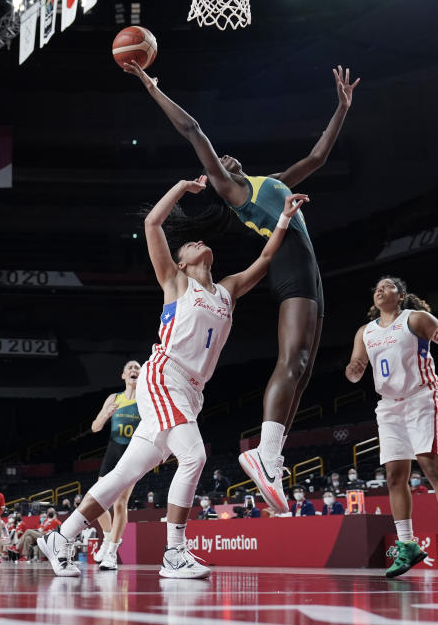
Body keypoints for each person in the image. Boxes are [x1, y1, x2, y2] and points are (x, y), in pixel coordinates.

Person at [37, 175, 306, 578]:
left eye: (201, 241)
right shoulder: (175, 282)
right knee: (194, 456)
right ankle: (174, 552)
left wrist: (283, 219)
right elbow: (152, 225)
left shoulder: (227, 290)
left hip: (191, 389)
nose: (199, 242)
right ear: (181, 262)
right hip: (164, 376)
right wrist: (181, 188)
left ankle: (63, 535)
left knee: (124, 474)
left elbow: (265, 261)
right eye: (191, 244)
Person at [123, 60, 360, 516]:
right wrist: (152, 86)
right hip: (289, 262)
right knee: (293, 360)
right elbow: (193, 130)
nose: (222, 161)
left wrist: (342, 107)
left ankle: (273, 457)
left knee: (305, 367)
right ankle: (263, 453)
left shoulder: (270, 183)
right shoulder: (236, 191)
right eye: (217, 168)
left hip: (307, 266)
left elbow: (318, 159)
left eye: (225, 160)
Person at [345, 276, 438, 577]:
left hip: (421, 399)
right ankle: (408, 545)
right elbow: (354, 372)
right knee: (394, 477)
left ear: (400, 295)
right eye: (376, 287)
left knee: (431, 468)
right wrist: (354, 369)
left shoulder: (415, 318)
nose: (379, 289)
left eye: (386, 286)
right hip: (389, 407)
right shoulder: (365, 332)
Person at [90, 360, 142, 570]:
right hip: (113, 451)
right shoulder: (114, 398)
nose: (133, 370)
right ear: (123, 375)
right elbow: (95, 427)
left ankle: (111, 553)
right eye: (129, 368)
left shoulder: (146, 399)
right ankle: (108, 537)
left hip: (132, 453)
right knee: (98, 497)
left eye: (137, 368)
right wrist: (106, 414)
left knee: (120, 503)